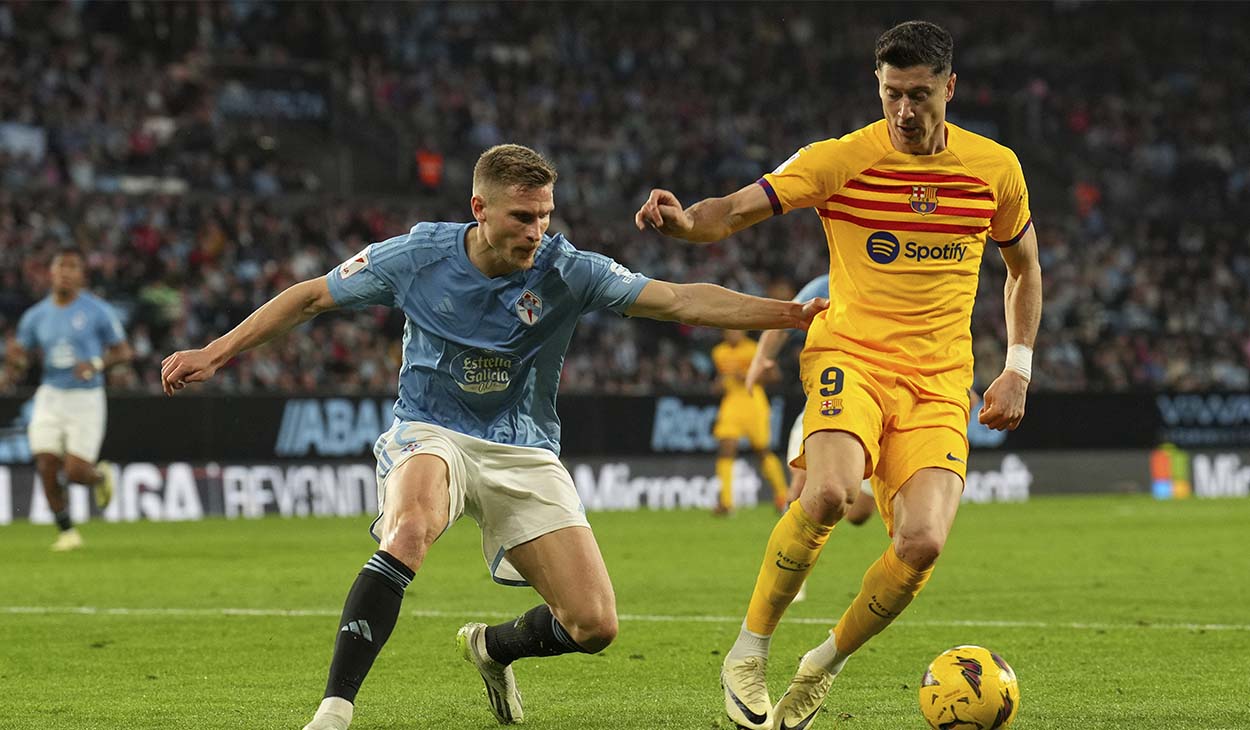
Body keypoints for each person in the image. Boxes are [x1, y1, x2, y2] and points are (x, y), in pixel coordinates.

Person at [159, 144, 827, 730]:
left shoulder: (568, 269)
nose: (536, 231)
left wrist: (796, 314)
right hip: (431, 429)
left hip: (522, 447)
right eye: (521, 217)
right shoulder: (418, 255)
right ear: (479, 208)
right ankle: (334, 711)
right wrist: (216, 353)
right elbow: (309, 297)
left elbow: (680, 300)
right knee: (412, 526)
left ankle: (493, 648)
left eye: (544, 216)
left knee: (594, 626)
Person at [635, 21, 1042, 730]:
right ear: (877, 88)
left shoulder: (995, 169)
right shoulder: (841, 159)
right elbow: (732, 211)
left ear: (950, 88)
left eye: (919, 95)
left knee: (922, 544)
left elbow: (1024, 269)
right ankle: (747, 653)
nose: (905, 112)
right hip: (849, 354)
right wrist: (684, 225)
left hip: (941, 381)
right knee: (825, 492)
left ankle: (822, 665)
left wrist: (1017, 368)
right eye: (892, 95)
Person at [2, 247, 128, 551]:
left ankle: (99, 477)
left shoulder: (97, 311)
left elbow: (123, 351)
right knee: (45, 461)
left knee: (74, 472)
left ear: (81, 275)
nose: (65, 273)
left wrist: (96, 364)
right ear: (51, 273)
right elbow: (21, 355)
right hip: (51, 394)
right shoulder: (36, 316)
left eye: (72, 268)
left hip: (86, 398)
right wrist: (13, 365)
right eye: (61, 267)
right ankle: (67, 531)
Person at [709, 328, 791, 514]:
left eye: (736, 331)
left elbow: (775, 376)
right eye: (728, 331)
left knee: (762, 450)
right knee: (726, 449)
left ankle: (782, 497)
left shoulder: (755, 349)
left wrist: (749, 377)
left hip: (753, 401)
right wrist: (717, 385)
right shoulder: (718, 352)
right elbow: (719, 380)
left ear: (743, 332)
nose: (732, 334)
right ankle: (726, 503)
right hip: (731, 402)